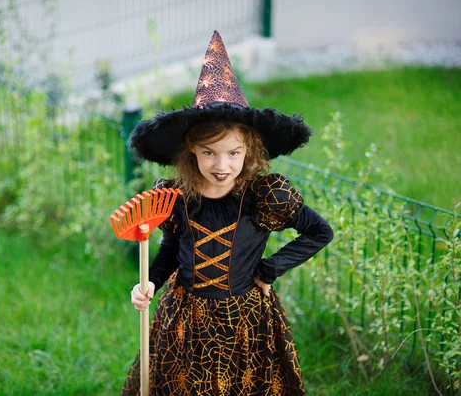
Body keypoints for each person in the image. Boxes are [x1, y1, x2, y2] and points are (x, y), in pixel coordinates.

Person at [121, 31, 334, 396]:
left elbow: (319, 232)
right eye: (209, 153)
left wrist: (269, 269)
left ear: (249, 149)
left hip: (245, 319)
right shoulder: (176, 198)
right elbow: (172, 250)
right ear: (191, 149)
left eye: (233, 153)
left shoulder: (263, 196)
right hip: (185, 319)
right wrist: (150, 282)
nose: (221, 165)